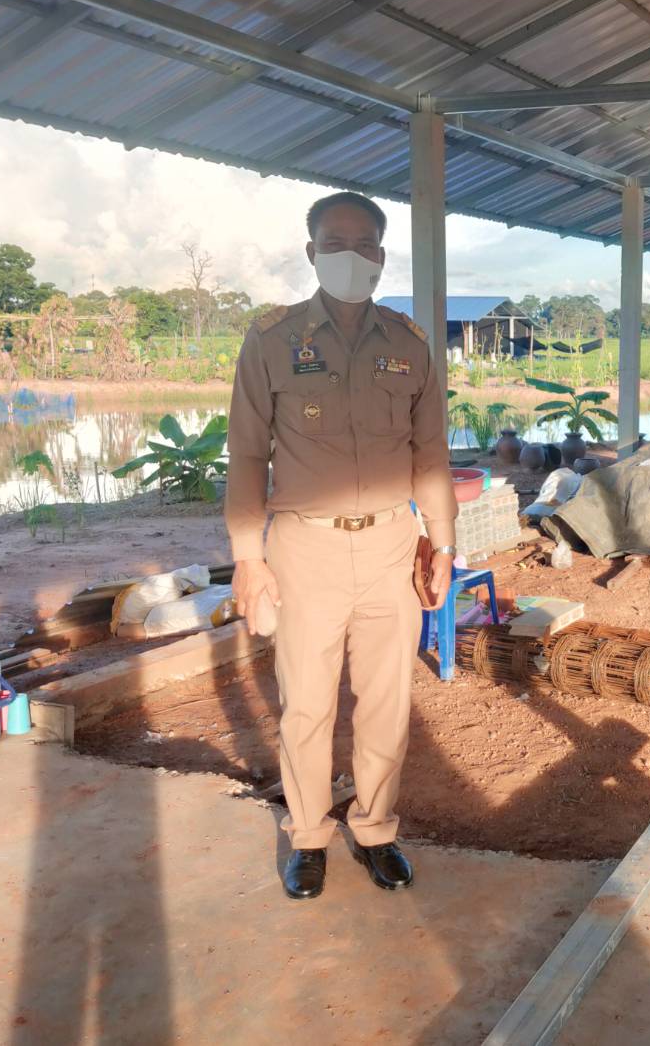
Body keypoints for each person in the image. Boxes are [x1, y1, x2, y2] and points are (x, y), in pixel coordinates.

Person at [225, 191, 457, 900]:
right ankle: (309, 836)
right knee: (307, 705)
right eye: (334, 243)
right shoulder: (271, 341)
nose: (349, 256)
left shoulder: (409, 345)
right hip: (305, 550)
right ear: (310, 252)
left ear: (382, 257)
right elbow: (243, 457)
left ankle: (376, 828)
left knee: (385, 702)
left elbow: (432, 455)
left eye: (363, 245)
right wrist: (247, 556)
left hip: (392, 543)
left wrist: (441, 545)